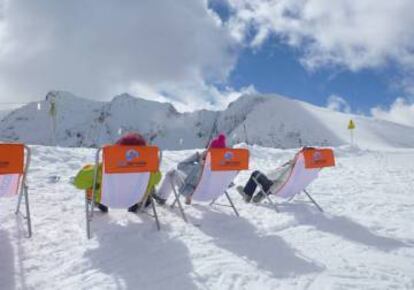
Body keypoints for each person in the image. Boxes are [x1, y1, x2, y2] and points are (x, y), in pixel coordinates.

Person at [73, 132, 162, 212]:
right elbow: (157, 179)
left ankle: (98, 203)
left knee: (93, 180)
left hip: (106, 200)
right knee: (149, 185)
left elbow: (79, 183)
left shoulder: (103, 168)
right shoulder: (150, 170)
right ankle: (141, 203)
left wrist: (88, 169)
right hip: (135, 199)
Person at [154, 133, 227, 205]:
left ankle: (161, 197)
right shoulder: (227, 166)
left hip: (196, 193)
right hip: (214, 193)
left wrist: (197, 157)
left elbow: (181, 166)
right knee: (193, 179)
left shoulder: (203, 165)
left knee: (172, 173)